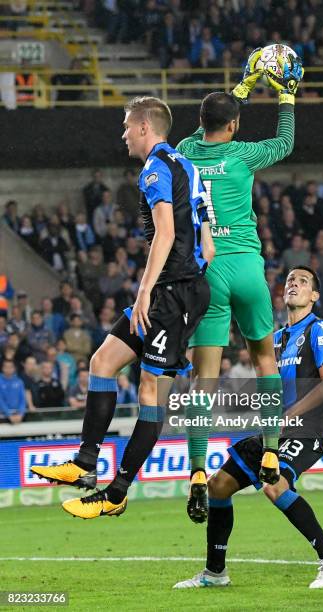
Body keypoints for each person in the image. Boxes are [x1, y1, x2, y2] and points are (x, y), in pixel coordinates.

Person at [31, 96, 213, 520]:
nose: (124, 134)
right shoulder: (187, 165)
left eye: (127, 126)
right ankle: (85, 462)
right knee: (102, 361)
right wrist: (181, 276)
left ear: (146, 128)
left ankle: (118, 489)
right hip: (176, 287)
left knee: (150, 388)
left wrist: (151, 289)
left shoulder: (154, 170)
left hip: (173, 294)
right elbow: (208, 243)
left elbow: (165, 233)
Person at [176, 48, 303, 522]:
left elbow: (200, 132)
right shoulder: (243, 155)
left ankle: (195, 472)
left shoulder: (186, 153)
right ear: (233, 128)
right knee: (265, 358)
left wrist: (241, 89)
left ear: (202, 121)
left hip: (206, 272)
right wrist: (284, 96)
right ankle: (271, 452)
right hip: (246, 267)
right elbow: (284, 142)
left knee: (202, 379)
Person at [173, 267, 323, 590]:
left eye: (303, 281)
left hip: (307, 430)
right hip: (273, 433)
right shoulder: (276, 338)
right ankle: (216, 573)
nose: (294, 284)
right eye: (290, 281)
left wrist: (293, 412)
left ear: (315, 296)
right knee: (218, 486)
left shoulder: (319, 329)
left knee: (275, 484)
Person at [0, 359, 26, 423]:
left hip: (18, 415)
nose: (8, 369)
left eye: (11, 367)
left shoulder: (19, 382)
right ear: (2, 368)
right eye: (6, 367)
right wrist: (9, 415)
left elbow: (23, 399)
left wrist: (21, 414)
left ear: (14, 368)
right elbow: (0, 400)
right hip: (2, 415)